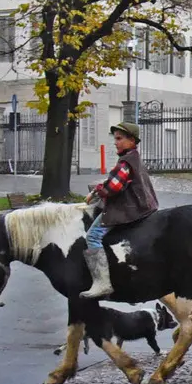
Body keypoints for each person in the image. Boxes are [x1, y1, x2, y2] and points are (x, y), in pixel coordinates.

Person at [82, 122, 158, 299]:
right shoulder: (134, 158)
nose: (115, 142)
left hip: (129, 208)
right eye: (115, 138)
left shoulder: (125, 162)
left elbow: (113, 187)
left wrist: (97, 192)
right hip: (145, 205)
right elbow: (114, 181)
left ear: (132, 140)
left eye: (119, 139)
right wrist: (99, 188)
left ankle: (102, 283)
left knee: (92, 236)